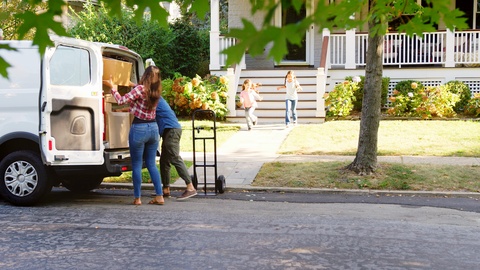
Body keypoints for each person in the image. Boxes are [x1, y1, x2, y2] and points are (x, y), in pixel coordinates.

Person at [103, 66, 164, 206]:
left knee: (136, 164)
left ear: (146, 76)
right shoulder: (156, 91)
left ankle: (137, 198)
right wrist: (131, 84)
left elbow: (120, 100)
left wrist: (113, 87)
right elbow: (141, 90)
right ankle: (160, 196)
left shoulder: (140, 90)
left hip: (139, 128)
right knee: (151, 164)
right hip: (153, 129)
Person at [155, 97, 197, 200]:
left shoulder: (155, 98)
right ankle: (166, 189)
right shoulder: (154, 97)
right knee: (164, 161)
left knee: (174, 157)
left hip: (172, 131)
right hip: (168, 131)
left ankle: (190, 187)